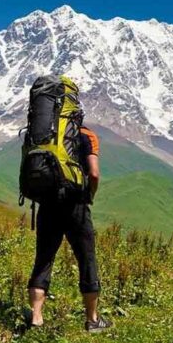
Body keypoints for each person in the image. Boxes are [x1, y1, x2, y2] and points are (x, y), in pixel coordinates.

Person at [26, 123, 112, 332]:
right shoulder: (86, 135)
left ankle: (36, 317)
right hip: (76, 205)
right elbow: (94, 174)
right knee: (86, 259)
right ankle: (92, 319)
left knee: (44, 259)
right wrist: (89, 195)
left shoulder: (43, 132)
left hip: (47, 204)